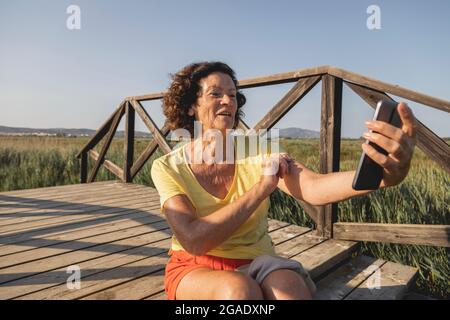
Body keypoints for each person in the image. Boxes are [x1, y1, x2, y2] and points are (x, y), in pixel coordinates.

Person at [150, 61, 417, 300]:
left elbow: (312, 187)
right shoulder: (168, 167)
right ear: (190, 106)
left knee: (290, 288)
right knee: (240, 291)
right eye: (215, 94)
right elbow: (195, 240)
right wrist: (262, 188)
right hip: (196, 266)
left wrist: (382, 178)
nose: (228, 102)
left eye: (232, 95)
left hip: (258, 261)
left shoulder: (259, 150)